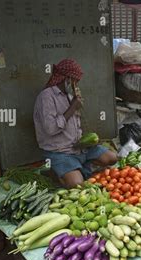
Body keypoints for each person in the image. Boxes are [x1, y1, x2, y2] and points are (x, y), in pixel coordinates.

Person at [33, 59, 117, 188]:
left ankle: (80, 167)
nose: (76, 84)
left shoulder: (70, 96)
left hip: (79, 148)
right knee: (77, 184)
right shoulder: (46, 97)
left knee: (112, 158)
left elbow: (76, 125)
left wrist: (86, 141)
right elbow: (50, 129)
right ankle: (56, 172)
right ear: (66, 79)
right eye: (75, 81)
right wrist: (73, 107)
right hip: (60, 151)